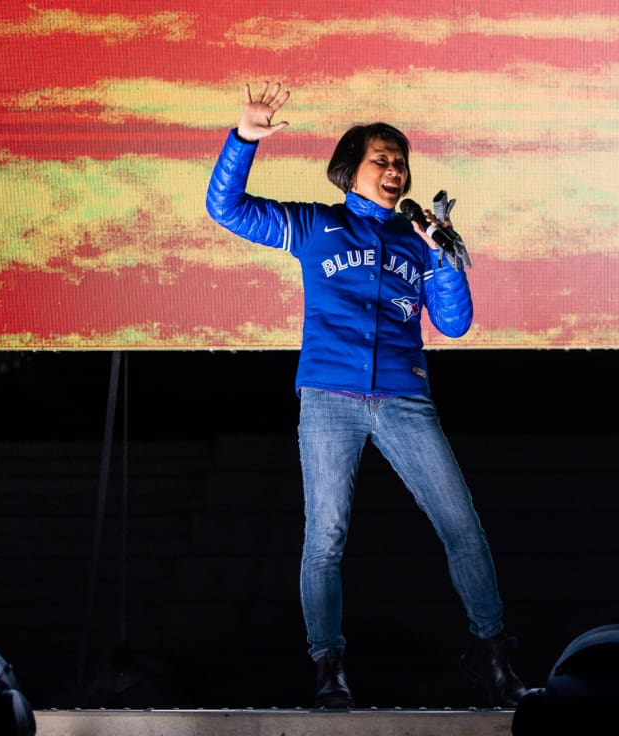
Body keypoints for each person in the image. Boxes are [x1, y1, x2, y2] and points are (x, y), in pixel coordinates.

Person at [205, 80, 526, 709]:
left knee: (462, 526)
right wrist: (244, 137)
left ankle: (490, 655)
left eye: (400, 160)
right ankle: (329, 668)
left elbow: (455, 324)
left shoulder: (417, 239)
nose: (395, 169)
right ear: (349, 169)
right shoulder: (315, 225)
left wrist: (444, 259)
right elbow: (228, 209)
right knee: (325, 536)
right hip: (329, 398)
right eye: (381, 158)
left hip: (405, 399)